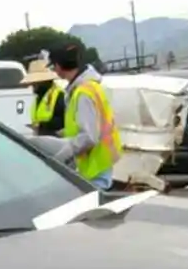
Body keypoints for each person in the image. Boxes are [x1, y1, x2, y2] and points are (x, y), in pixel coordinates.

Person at [37, 41, 122, 190]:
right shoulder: (90, 87)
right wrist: (62, 134)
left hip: (94, 166)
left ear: (58, 66)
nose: (54, 71)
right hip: (100, 161)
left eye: (53, 66)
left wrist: (62, 155)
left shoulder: (83, 93)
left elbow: (88, 137)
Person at [25, 57, 65, 135]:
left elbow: (63, 121)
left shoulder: (59, 95)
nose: (32, 85)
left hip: (55, 141)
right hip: (41, 138)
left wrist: (42, 125)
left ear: (42, 81)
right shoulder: (39, 97)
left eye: (34, 82)